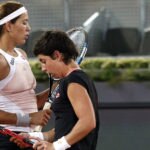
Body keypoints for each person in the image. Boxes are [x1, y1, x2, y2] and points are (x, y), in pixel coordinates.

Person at [12, 29, 100, 150]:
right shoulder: (72, 80)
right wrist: (35, 136)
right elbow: (67, 127)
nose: (43, 68)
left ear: (57, 55)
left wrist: (55, 146)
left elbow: (88, 122)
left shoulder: (73, 81)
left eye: (44, 61)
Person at [0, 1, 51, 149]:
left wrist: (55, 89)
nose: (29, 28)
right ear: (9, 26)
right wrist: (28, 119)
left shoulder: (21, 55)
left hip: (26, 138)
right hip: (6, 138)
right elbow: (27, 116)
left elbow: (27, 101)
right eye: (24, 23)